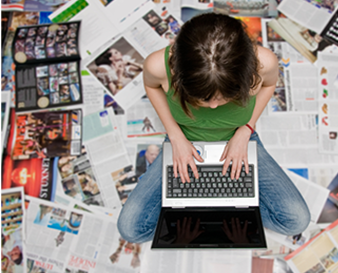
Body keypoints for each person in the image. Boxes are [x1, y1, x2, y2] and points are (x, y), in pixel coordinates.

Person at [117, 13, 310, 243]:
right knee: (130, 230)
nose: (214, 106)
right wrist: (176, 136)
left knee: (296, 220)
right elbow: (152, 87)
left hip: (240, 138)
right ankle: (216, 203)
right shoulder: (158, 65)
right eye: (203, 99)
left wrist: (245, 130)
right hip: (184, 139)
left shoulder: (264, 63)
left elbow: (269, 85)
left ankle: (213, 204)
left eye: (224, 98)